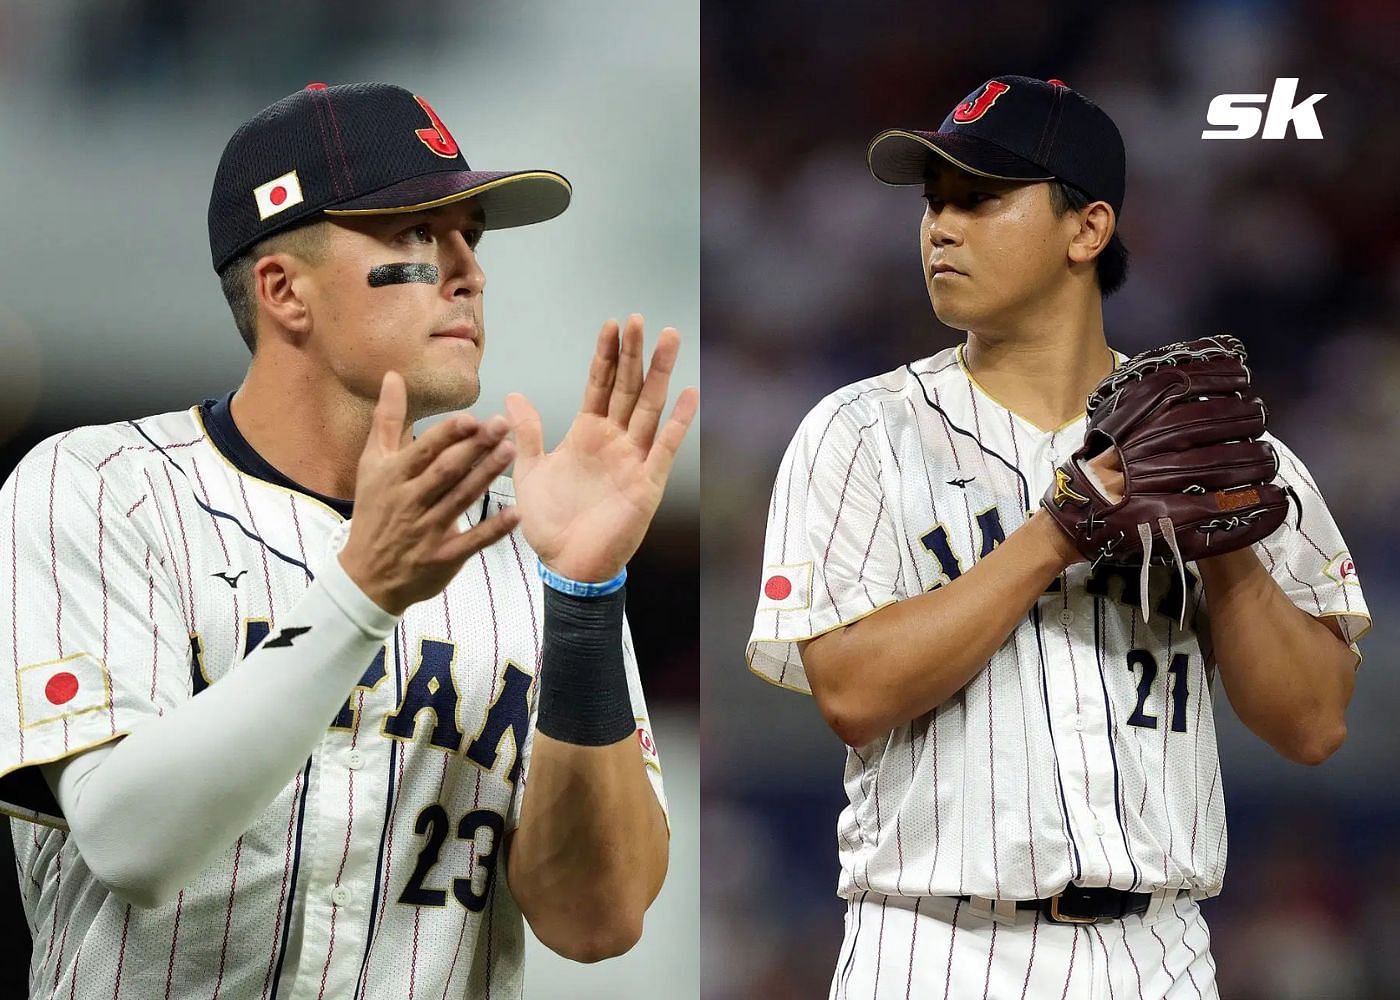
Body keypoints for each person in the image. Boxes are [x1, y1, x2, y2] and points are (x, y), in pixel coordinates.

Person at [0, 81, 696, 999]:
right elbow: (131, 842)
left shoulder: (527, 554)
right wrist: (359, 597)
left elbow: (597, 920)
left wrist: (583, 601)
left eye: (471, 238)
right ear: (283, 290)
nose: (469, 272)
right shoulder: (101, 488)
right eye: (415, 235)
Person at [747, 75, 1367, 998]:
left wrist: (1224, 544)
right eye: (934, 202)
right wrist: (1056, 533)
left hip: (1155, 953)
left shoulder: (1224, 445)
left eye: (982, 199)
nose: (940, 228)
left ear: (1088, 229)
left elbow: (1315, 723)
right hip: (932, 947)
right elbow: (851, 691)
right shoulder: (863, 431)